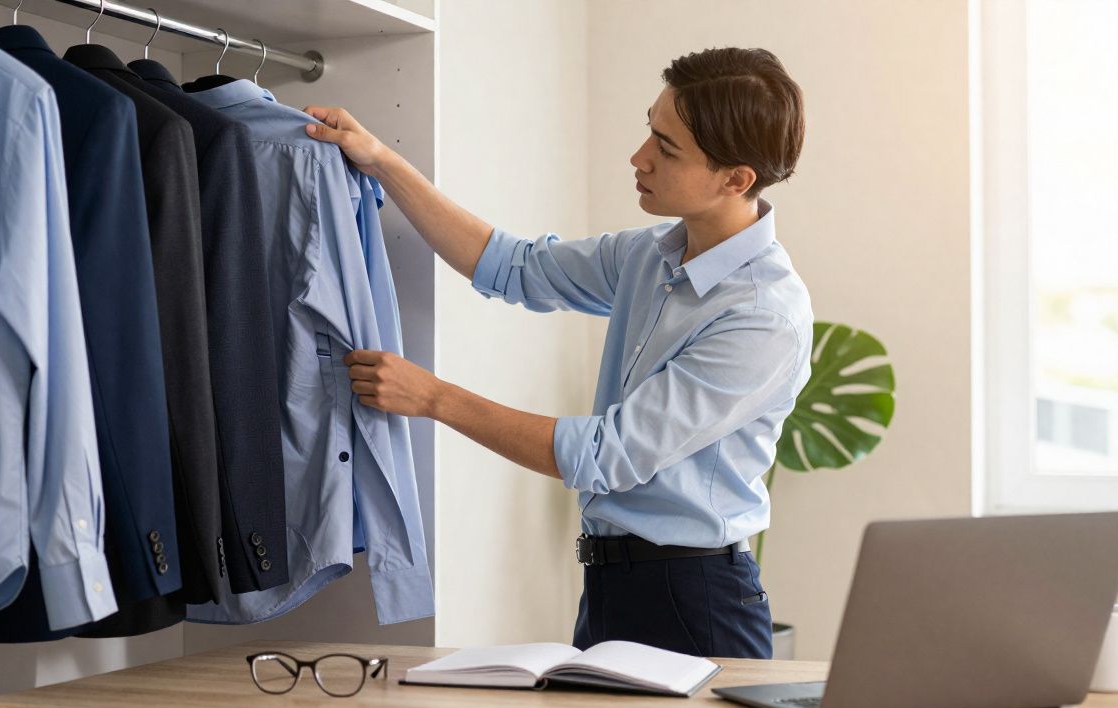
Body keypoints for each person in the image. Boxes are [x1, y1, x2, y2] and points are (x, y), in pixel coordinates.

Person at [303, 46, 812, 659]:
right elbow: (513, 266)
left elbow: (606, 455)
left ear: (736, 179)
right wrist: (381, 161)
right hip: (608, 587)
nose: (639, 157)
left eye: (667, 149)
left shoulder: (762, 316)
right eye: (650, 129)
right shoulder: (649, 255)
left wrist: (434, 397)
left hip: (695, 601)